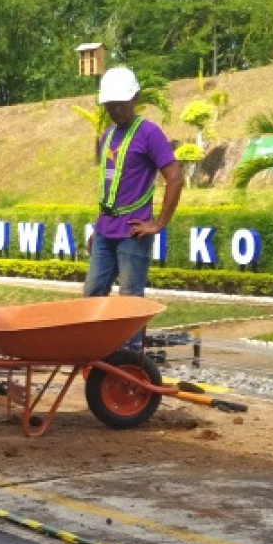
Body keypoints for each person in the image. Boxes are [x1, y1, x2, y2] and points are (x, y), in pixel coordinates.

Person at [84, 67, 183, 349]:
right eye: (110, 105)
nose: (115, 110)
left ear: (134, 98)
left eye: (120, 103)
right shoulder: (106, 136)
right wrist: (98, 226)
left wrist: (159, 223)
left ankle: (130, 359)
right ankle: (95, 351)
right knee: (92, 293)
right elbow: (110, 187)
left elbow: (175, 177)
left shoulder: (150, 134)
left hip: (133, 231)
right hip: (105, 231)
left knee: (130, 298)